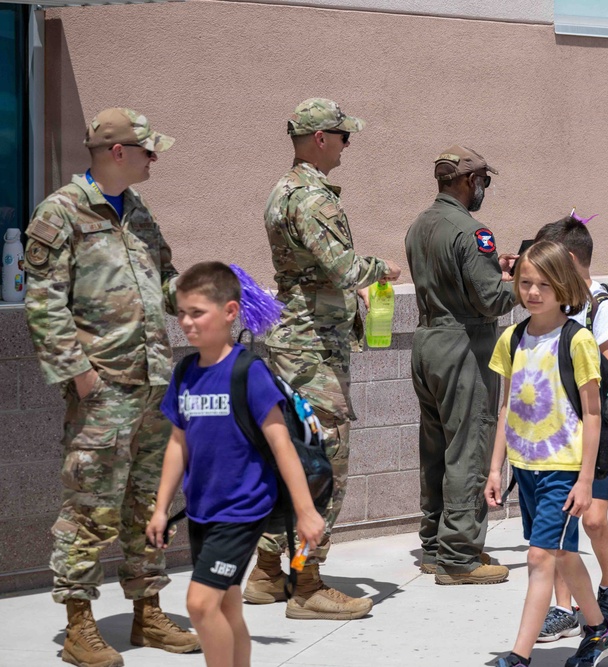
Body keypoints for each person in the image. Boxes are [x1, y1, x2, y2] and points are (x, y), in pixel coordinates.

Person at [22, 107, 199, 667]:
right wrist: (81, 375)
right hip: (102, 390)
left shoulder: (138, 210)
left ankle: (147, 612)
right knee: (89, 504)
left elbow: (164, 278)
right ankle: (79, 622)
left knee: (150, 501)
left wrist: (203, 291)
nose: (155, 159)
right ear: (117, 152)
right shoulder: (62, 212)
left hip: (151, 384)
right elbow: (44, 304)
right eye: (149, 150)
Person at [246, 98, 401, 618]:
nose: (347, 144)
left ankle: (268, 574)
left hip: (295, 337)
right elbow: (344, 268)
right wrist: (382, 269)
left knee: (293, 455)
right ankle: (307, 583)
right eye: (343, 135)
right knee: (325, 460)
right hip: (312, 345)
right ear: (319, 138)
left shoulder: (282, 191)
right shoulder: (313, 199)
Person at [147, 262, 326, 667]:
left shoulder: (249, 372)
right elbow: (177, 443)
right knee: (226, 608)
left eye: (198, 313)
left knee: (199, 604)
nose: (187, 323)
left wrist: (306, 511)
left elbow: (282, 446)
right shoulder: (185, 373)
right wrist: (161, 508)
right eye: (182, 314)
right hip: (202, 512)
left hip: (242, 511)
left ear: (230, 312)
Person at [486, 241, 608, 667]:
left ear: (564, 286)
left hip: (563, 468)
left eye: (545, 283)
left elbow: (593, 412)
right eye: (526, 282)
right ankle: (598, 630)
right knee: (561, 552)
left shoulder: (577, 340)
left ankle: (518, 657)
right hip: (526, 467)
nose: (534, 292)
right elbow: (506, 407)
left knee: (540, 556)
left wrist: (585, 480)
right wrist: (495, 468)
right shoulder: (511, 338)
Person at [405, 145, 515, 585]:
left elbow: (456, 278)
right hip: (463, 346)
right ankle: (460, 556)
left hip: (427, 342)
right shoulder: (473, 231)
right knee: (468, 447)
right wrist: (522, 282)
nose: (483, 189)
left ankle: (434, 545)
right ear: (469, 181)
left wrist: (497, 269)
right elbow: (490, 300)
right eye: (482, 181)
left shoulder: (420, 225)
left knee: (435, 449)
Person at [532, 214, 608, 641]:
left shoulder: (602, 309)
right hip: (557, 439)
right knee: (561, 524)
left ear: (568, 259)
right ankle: (564, 609)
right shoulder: (560, 304)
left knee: (593, 521)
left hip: (595, 434)